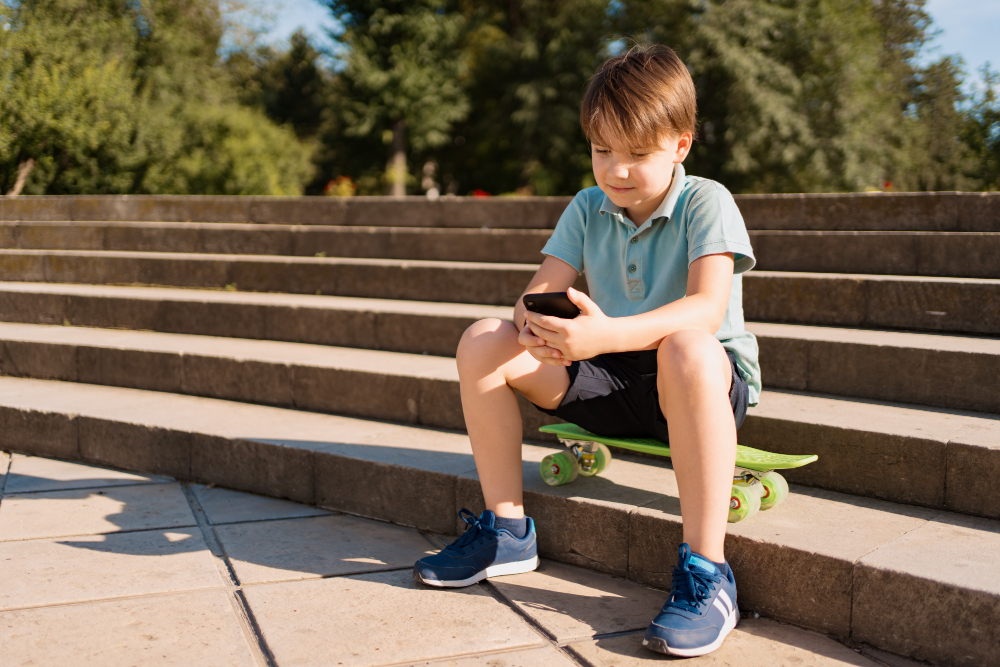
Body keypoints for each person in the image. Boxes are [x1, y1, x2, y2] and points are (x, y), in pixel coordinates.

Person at [413, 44, 760, 658]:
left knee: (686, 348)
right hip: (610, 378)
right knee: (483, 339)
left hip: (698, 385)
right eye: (602, 151)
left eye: (637, 154)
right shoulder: (585, 206)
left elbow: (707, 311)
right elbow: (534, 297)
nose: (616, 171)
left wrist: (605, 335)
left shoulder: (707, 201)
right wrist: (538, 328)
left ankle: (708, 572)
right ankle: (507, 530)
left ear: (680, 146)